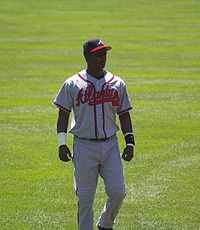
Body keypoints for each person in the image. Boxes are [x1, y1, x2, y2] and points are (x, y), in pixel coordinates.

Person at [53, 39, 135, 230]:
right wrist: (61, 143)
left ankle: (105, 223)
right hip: (83, 146)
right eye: (98, 54)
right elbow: (63, 114)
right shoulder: (72, 83)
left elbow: (124, 114)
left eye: (104, 54)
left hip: (110, 145)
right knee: (85, 199)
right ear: (87, 57)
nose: (102, 58)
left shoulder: (117, 83)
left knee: (118, 192)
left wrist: (130, 141)